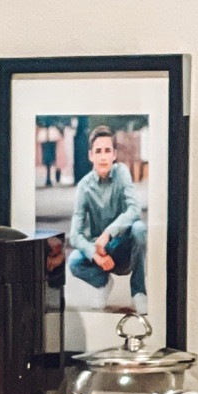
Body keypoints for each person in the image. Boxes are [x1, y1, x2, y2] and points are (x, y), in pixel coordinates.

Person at [67, 124, 148, 311]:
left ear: (114, 154)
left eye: (107, 150)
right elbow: (75, 235)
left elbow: (135, 209)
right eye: (98, 151)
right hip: (101, 253)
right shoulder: (84, 187)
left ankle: (138, 292)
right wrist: (95, 254)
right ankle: (102, 283)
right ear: (91, 156)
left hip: (123, 248)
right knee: (74, 262)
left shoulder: (122, 173)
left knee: (139, 229)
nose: (103, 156)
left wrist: (108, 233)